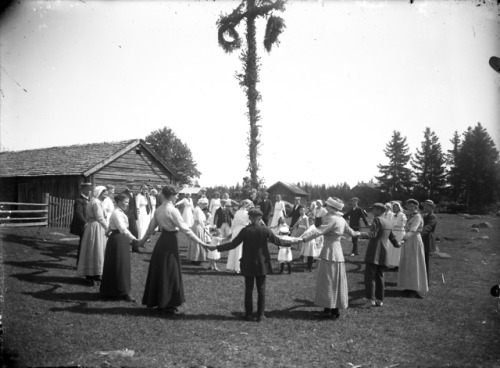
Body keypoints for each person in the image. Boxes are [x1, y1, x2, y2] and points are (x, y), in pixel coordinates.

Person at [205, 208, 292, 322]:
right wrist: (296, 241)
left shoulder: (245, 231)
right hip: (261, 264)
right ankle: (261, 315)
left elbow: (232, 245)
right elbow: (279, 241)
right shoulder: (265, 230)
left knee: (249, 289)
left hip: (248, 263)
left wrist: (216, 247)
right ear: (260, 218)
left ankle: (248, 314)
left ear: (250, 218)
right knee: (261, 290)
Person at [138, 185, 209, 315]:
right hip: (170, 241)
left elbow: (150, 229)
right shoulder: (172, 210)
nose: (177, 197)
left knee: (161, 271)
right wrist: (202, 243)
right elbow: (186, 230)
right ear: (170, 195)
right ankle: (167, 304)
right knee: (170, 272)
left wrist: (141, 242)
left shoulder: (159, 209)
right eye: (176, 195)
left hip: (161, 242)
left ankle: (160, 301)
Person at [296, 197, 360, 319]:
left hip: (329, 252)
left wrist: (303, 239)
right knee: (335, 280)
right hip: (338, 253)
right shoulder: (341, 219)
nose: (326, 208)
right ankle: (331, 308)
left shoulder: (331, 219)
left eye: (328, 206)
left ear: (333, 208)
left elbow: (319, 231)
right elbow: (351, 232)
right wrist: (359, 233)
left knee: (328, 281)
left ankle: (331, 309)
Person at [358, 203, 401, 307]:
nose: (372, 211)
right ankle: (379, 299)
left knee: (370, 276)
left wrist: (358, 234)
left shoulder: (377, 220)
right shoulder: (388, 222)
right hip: (383, 252)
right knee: (380, 276)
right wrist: (397, 244)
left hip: (374, 251)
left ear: (378, 210)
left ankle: (371, 299)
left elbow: (373, 234)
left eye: (373, 209)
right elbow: (392, 237)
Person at [100, 193, 138, 302]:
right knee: (119, 265)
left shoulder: (119, 212)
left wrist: (108, 232)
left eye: (127, 202)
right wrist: (135, 239)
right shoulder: (117, 213)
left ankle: (117, 290)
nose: (127, 204)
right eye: (125, 202)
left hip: (119, 239)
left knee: (121, 264)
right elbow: (122, 228)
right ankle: (120, 291)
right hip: (119, 240)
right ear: (119, 202)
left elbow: (111, 227)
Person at [76, 186, 109, 285]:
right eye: (104, 193)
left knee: (98, 250)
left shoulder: (98, 202)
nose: (106, 194)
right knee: (93, 249)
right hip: (95, 228)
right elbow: (100, 217)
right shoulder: (96, 203)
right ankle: (90, 275)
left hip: (97, 227)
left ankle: (96, 274)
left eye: (106, 192)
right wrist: (108, 229)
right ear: (99, 193)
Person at [397, 199, 428, 299]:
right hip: (407, 241)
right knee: (407, 263)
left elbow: (413, 230)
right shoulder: (410, 216)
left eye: (412, 205)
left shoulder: (417, 216)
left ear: (416, 207)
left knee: (414, 264)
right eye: (408, 205)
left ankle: (414, 288)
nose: (409, 207)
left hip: (414, 241)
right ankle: (408, 286)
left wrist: (403, 239)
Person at [226, 199, 253, 273]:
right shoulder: (247, 213)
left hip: (236, 230)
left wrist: (233, 231)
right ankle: (239, 267)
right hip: (243, 230)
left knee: (237, 248)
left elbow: (233, 223)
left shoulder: (237, 212)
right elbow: (247, 222)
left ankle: (235, 267)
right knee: (241, 248)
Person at [70, 182, 92, 267]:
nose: (89, 191)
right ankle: (79, 264)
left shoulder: (89, 200)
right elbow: (78, 214)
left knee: (86, 245)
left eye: (90, 190)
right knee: (82, 245)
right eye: (88, 189)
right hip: (82, 226)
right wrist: (85, 223)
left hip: (88, 225)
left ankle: (85, 263)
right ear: (83, 190)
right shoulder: (79, 200)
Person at [187, 197, 209, 265]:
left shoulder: (199, 209)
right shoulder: (198, 210)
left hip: (199, 227)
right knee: (197, 243)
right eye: (204, 204)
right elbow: (199, 220)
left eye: (206, 204)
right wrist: (204, 227)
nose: (205, 206)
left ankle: (196, 258)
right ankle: (196, 259)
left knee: (197, 243)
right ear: (200, 203)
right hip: (198, 228)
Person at [421, 199, 437, 286]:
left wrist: (419, 233)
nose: (425, 207)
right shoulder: (422, 215)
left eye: (427, 206)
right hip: (421, 239)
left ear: (431, 208)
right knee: (421, 260)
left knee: (425, 261)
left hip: (427, 240)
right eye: (424, 205)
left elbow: (428, 227)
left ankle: (426, 281)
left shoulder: (432, 216)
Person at [388, 201, 407, 268]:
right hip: (394, 231)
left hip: (399, 231)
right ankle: (392, 263)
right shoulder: (393, 215)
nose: (395, 208)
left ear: (399, 208)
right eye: (394, 207)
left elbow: (402, 222)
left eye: (396, 207)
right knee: (392, 246)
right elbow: (391, 223)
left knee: (398, 248)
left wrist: (396, 224)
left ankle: (398, 263)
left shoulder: (401, 214)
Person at [122, 182, 139, 251]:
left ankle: (135, 247)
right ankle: (123, 247)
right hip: (125, 214)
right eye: (130, 185)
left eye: (133, 185)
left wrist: (135, 215)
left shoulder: (133, 194)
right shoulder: (124, 193)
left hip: (132, 216)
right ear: (127, 185)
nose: (132, 186)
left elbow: (134, 205)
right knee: (124, 231)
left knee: (135, 231)